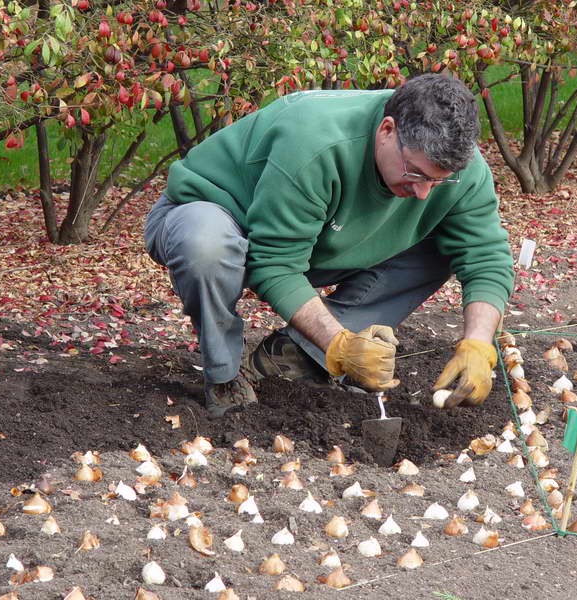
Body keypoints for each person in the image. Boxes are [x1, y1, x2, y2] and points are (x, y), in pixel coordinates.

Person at [144, 74, 514, 417]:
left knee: (444, 244)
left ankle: (298, 355)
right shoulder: (316, 141)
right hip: (219, 215)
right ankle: (224, 375)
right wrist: (340, 346)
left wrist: (478, 345)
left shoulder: (459, 168)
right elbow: (274, 263)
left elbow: (486, 256)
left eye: (438, 181)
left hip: (321, 237)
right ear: (387, 130)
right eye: (415, 173)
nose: (422, 193)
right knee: (206, 245)